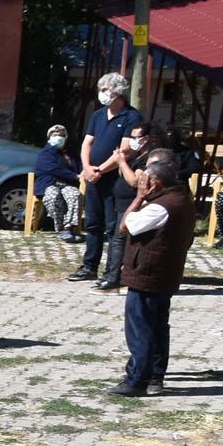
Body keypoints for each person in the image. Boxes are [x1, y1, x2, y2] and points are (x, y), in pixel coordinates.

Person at [114, 150, 195, 397]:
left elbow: (125, 226)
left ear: (155, 182)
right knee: (158, 327)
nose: (141, 181)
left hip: (148, 275)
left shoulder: (160, 207)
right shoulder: (181, 197)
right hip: (164, 275)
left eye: (145, 178)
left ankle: (137, 378)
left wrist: (138, 198)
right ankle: (155, 375)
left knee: (141, 329)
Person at [76, 72, 144, 287]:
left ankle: (112, 272)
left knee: (112, 226)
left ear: (118, 92)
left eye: (106, 89)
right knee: (93, 223)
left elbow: (124, 151)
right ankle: (89, 266)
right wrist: (88, 168)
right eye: (101, 89)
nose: (103, 94)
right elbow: (87, 143)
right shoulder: (97, 115)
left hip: (114, 179)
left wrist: (100, 170)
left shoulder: (131, 117)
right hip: (92, 177)